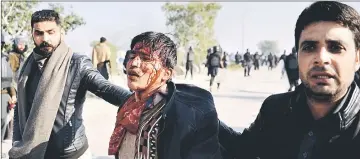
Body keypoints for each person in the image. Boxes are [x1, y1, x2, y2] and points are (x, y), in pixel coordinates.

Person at [219, 1, 360, 159]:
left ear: (357, 59)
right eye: (309, 47)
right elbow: (242, 151)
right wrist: (206, 118)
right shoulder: (275, 110)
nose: (321, 58)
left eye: (335, 47)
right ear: (298, 55)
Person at [8, 10, 131, 159]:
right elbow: (19, 110)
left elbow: (105, 88)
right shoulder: (26, 67)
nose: (45, 38)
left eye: (51, 32)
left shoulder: (77, 63)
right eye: (39, 33)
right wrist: (16, 143)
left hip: (70, 153)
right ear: (33, 34)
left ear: (61, 32)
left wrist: (142, 99)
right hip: (35, 153)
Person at [108, 31, 222, 159]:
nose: (133, 63)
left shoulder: (189, 114)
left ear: (166, 74)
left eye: (145, 58)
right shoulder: (127, 106)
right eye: (132, 56)